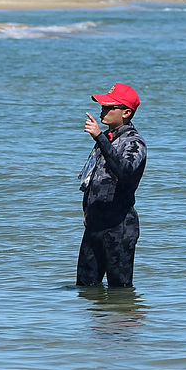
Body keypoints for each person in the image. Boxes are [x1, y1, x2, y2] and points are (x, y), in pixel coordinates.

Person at [76, 82, 147, 288]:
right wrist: (87, 209)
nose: (103, 110)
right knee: (85, 289)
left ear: (126, 113)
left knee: (120, 291)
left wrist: (99, 137)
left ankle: (125, 321)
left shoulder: (134, 142)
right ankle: (96, 322)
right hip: (95, 225)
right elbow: (93, 180)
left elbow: (125, 171)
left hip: (119, 227)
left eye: (109, 107)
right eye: (103, 106)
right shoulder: (105, 140)